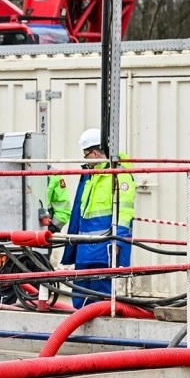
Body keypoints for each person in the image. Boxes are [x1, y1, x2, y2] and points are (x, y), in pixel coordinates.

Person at [61, 128, 135, 308]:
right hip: (85, 247)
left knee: (100, 298)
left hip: (104, 247)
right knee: (80, 295)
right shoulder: (91, 176)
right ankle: (80, 323)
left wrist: (119, 241)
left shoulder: (119, 175)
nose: (85, 160)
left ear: (94, 153)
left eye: (86, 155)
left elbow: (125, 212)